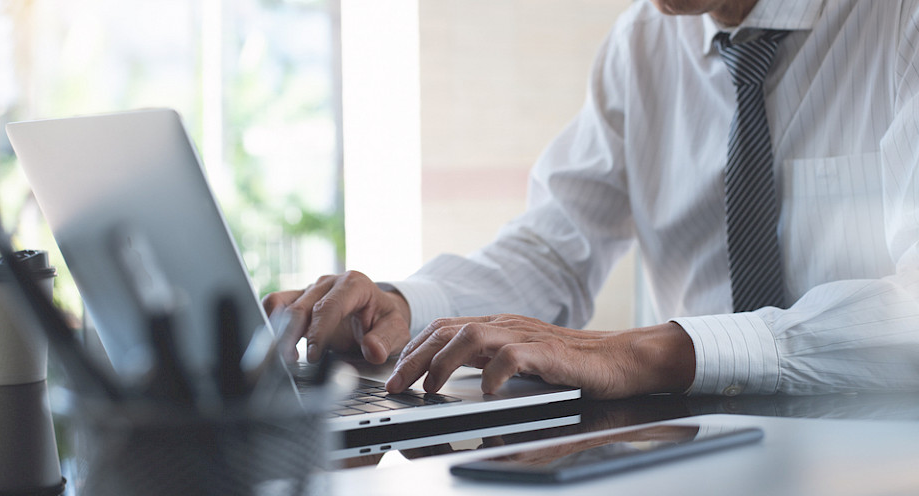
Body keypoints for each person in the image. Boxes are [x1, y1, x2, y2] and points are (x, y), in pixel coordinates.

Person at [264, 0, 919, 399]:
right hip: (698, 445)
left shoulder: (900, 22)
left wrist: (647, 352)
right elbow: (555, 249)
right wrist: (409, 310)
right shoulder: (642, 44)